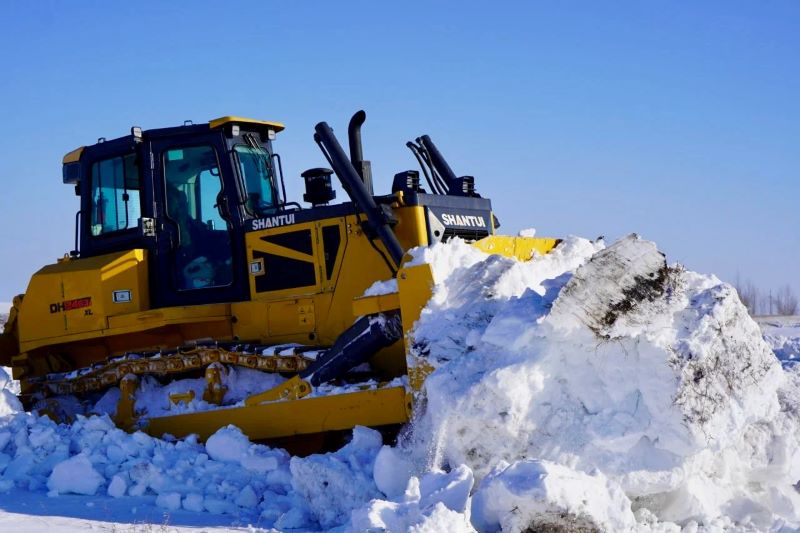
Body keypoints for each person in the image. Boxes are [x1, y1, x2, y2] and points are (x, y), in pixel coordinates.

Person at [166, 184, 231, 289]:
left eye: (181, 202)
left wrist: (230, 238)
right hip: (179, 283)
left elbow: (211, 239)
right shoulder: (163, 233)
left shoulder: (194, 226)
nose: (179, 206)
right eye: (170, 201)